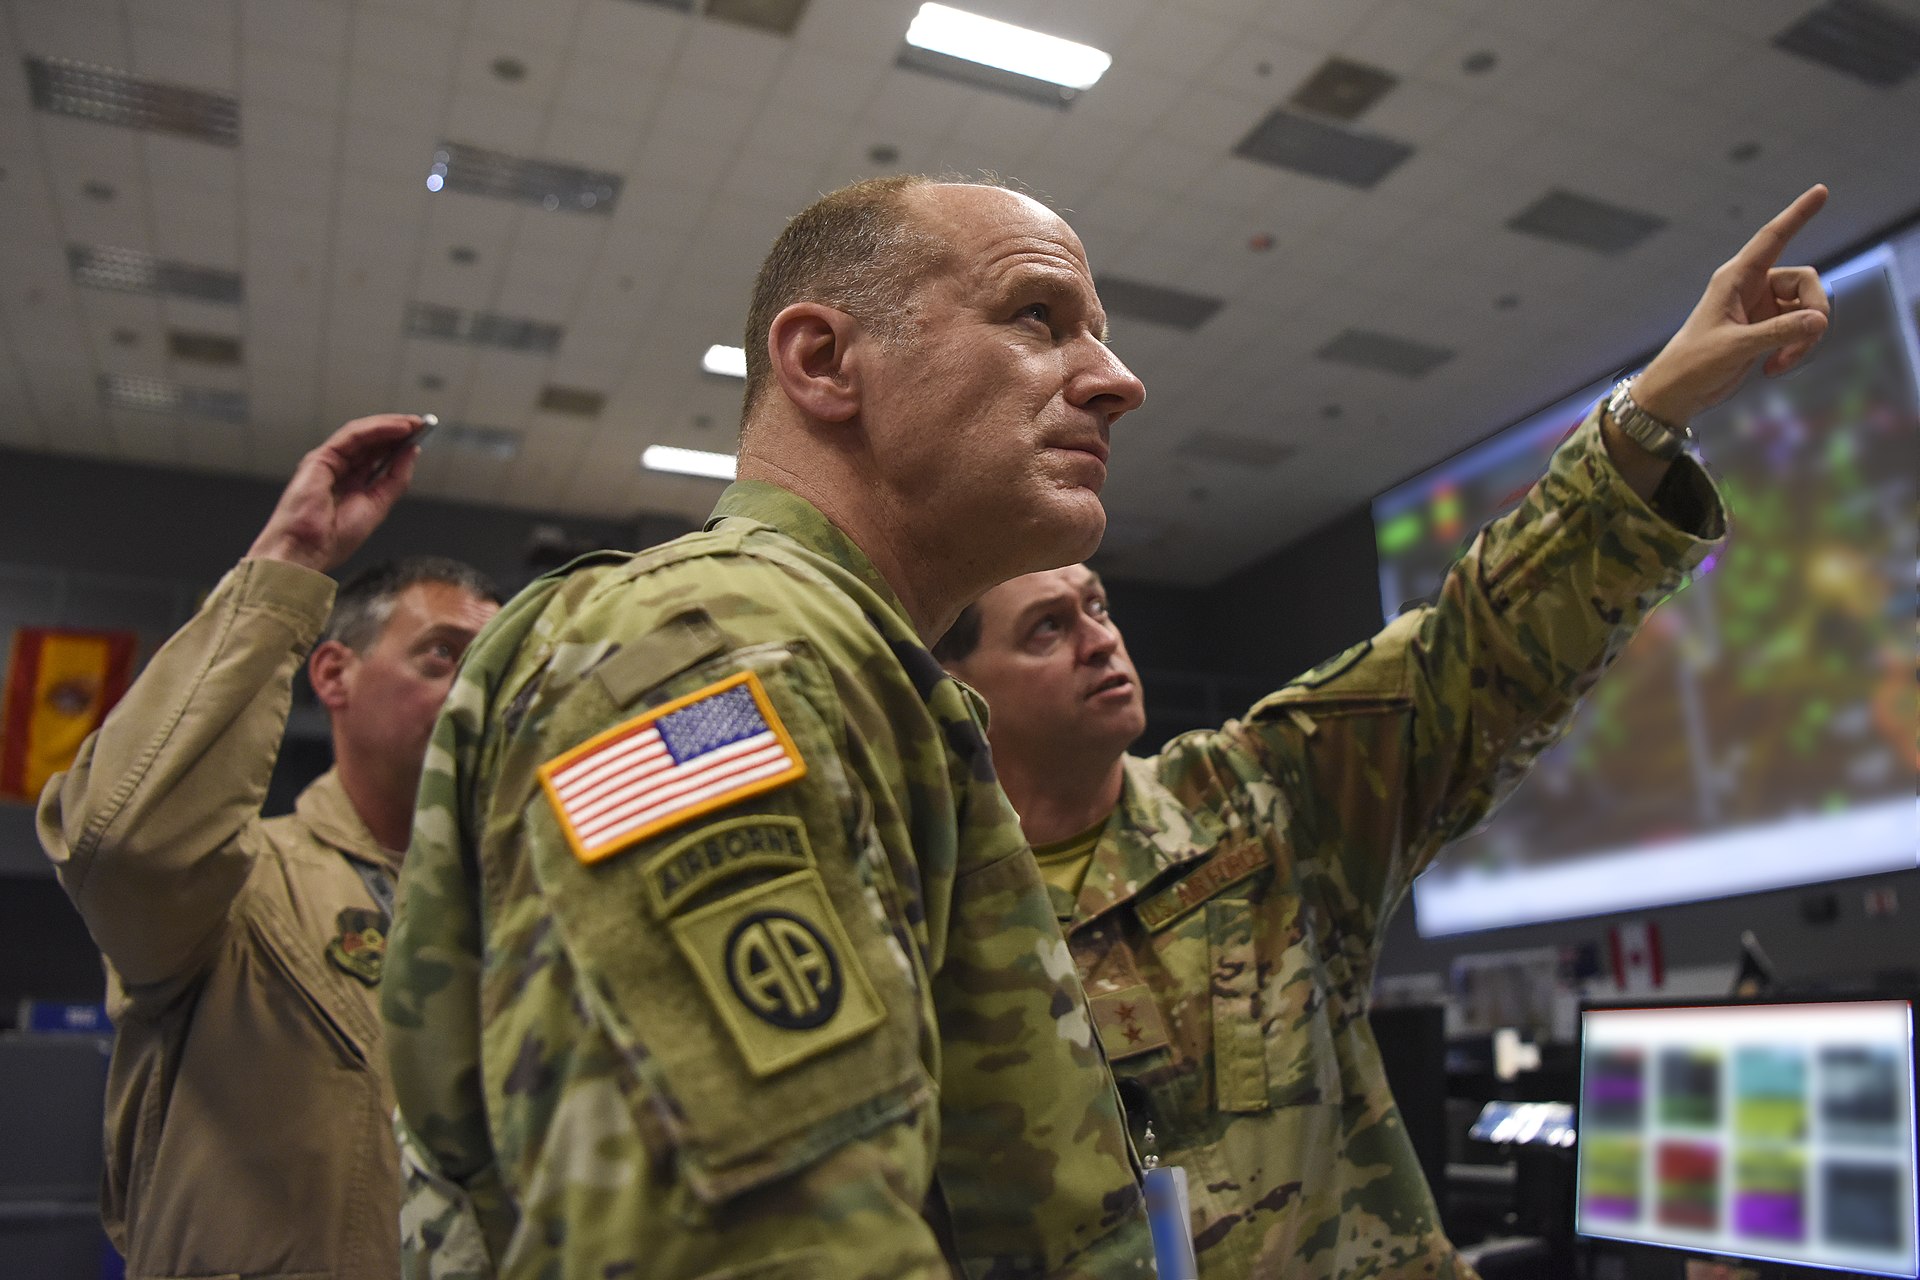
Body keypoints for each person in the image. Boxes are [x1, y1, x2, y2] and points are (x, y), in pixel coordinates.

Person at [933, 186, 1834, 1280]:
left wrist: (1652, 411)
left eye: (1099, 606)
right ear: (961, 688)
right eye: (1047, 628)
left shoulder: (1256, 802)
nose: (1098, 639)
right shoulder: (944, 912)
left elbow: (1479, 643)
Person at [382, 176, 1157, 1278]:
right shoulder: (712, 650)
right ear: (824, 363)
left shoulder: (843, 664)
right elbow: (756, 1246)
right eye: (1038, 316)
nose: (1117, 381)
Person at [38, 415, 501, 1280]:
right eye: (443, 657)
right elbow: (128, 843)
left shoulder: (514, 909)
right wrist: (289, 561)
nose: (472, 693)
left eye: (491, 670)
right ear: (334, 675)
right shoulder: (241, 885)